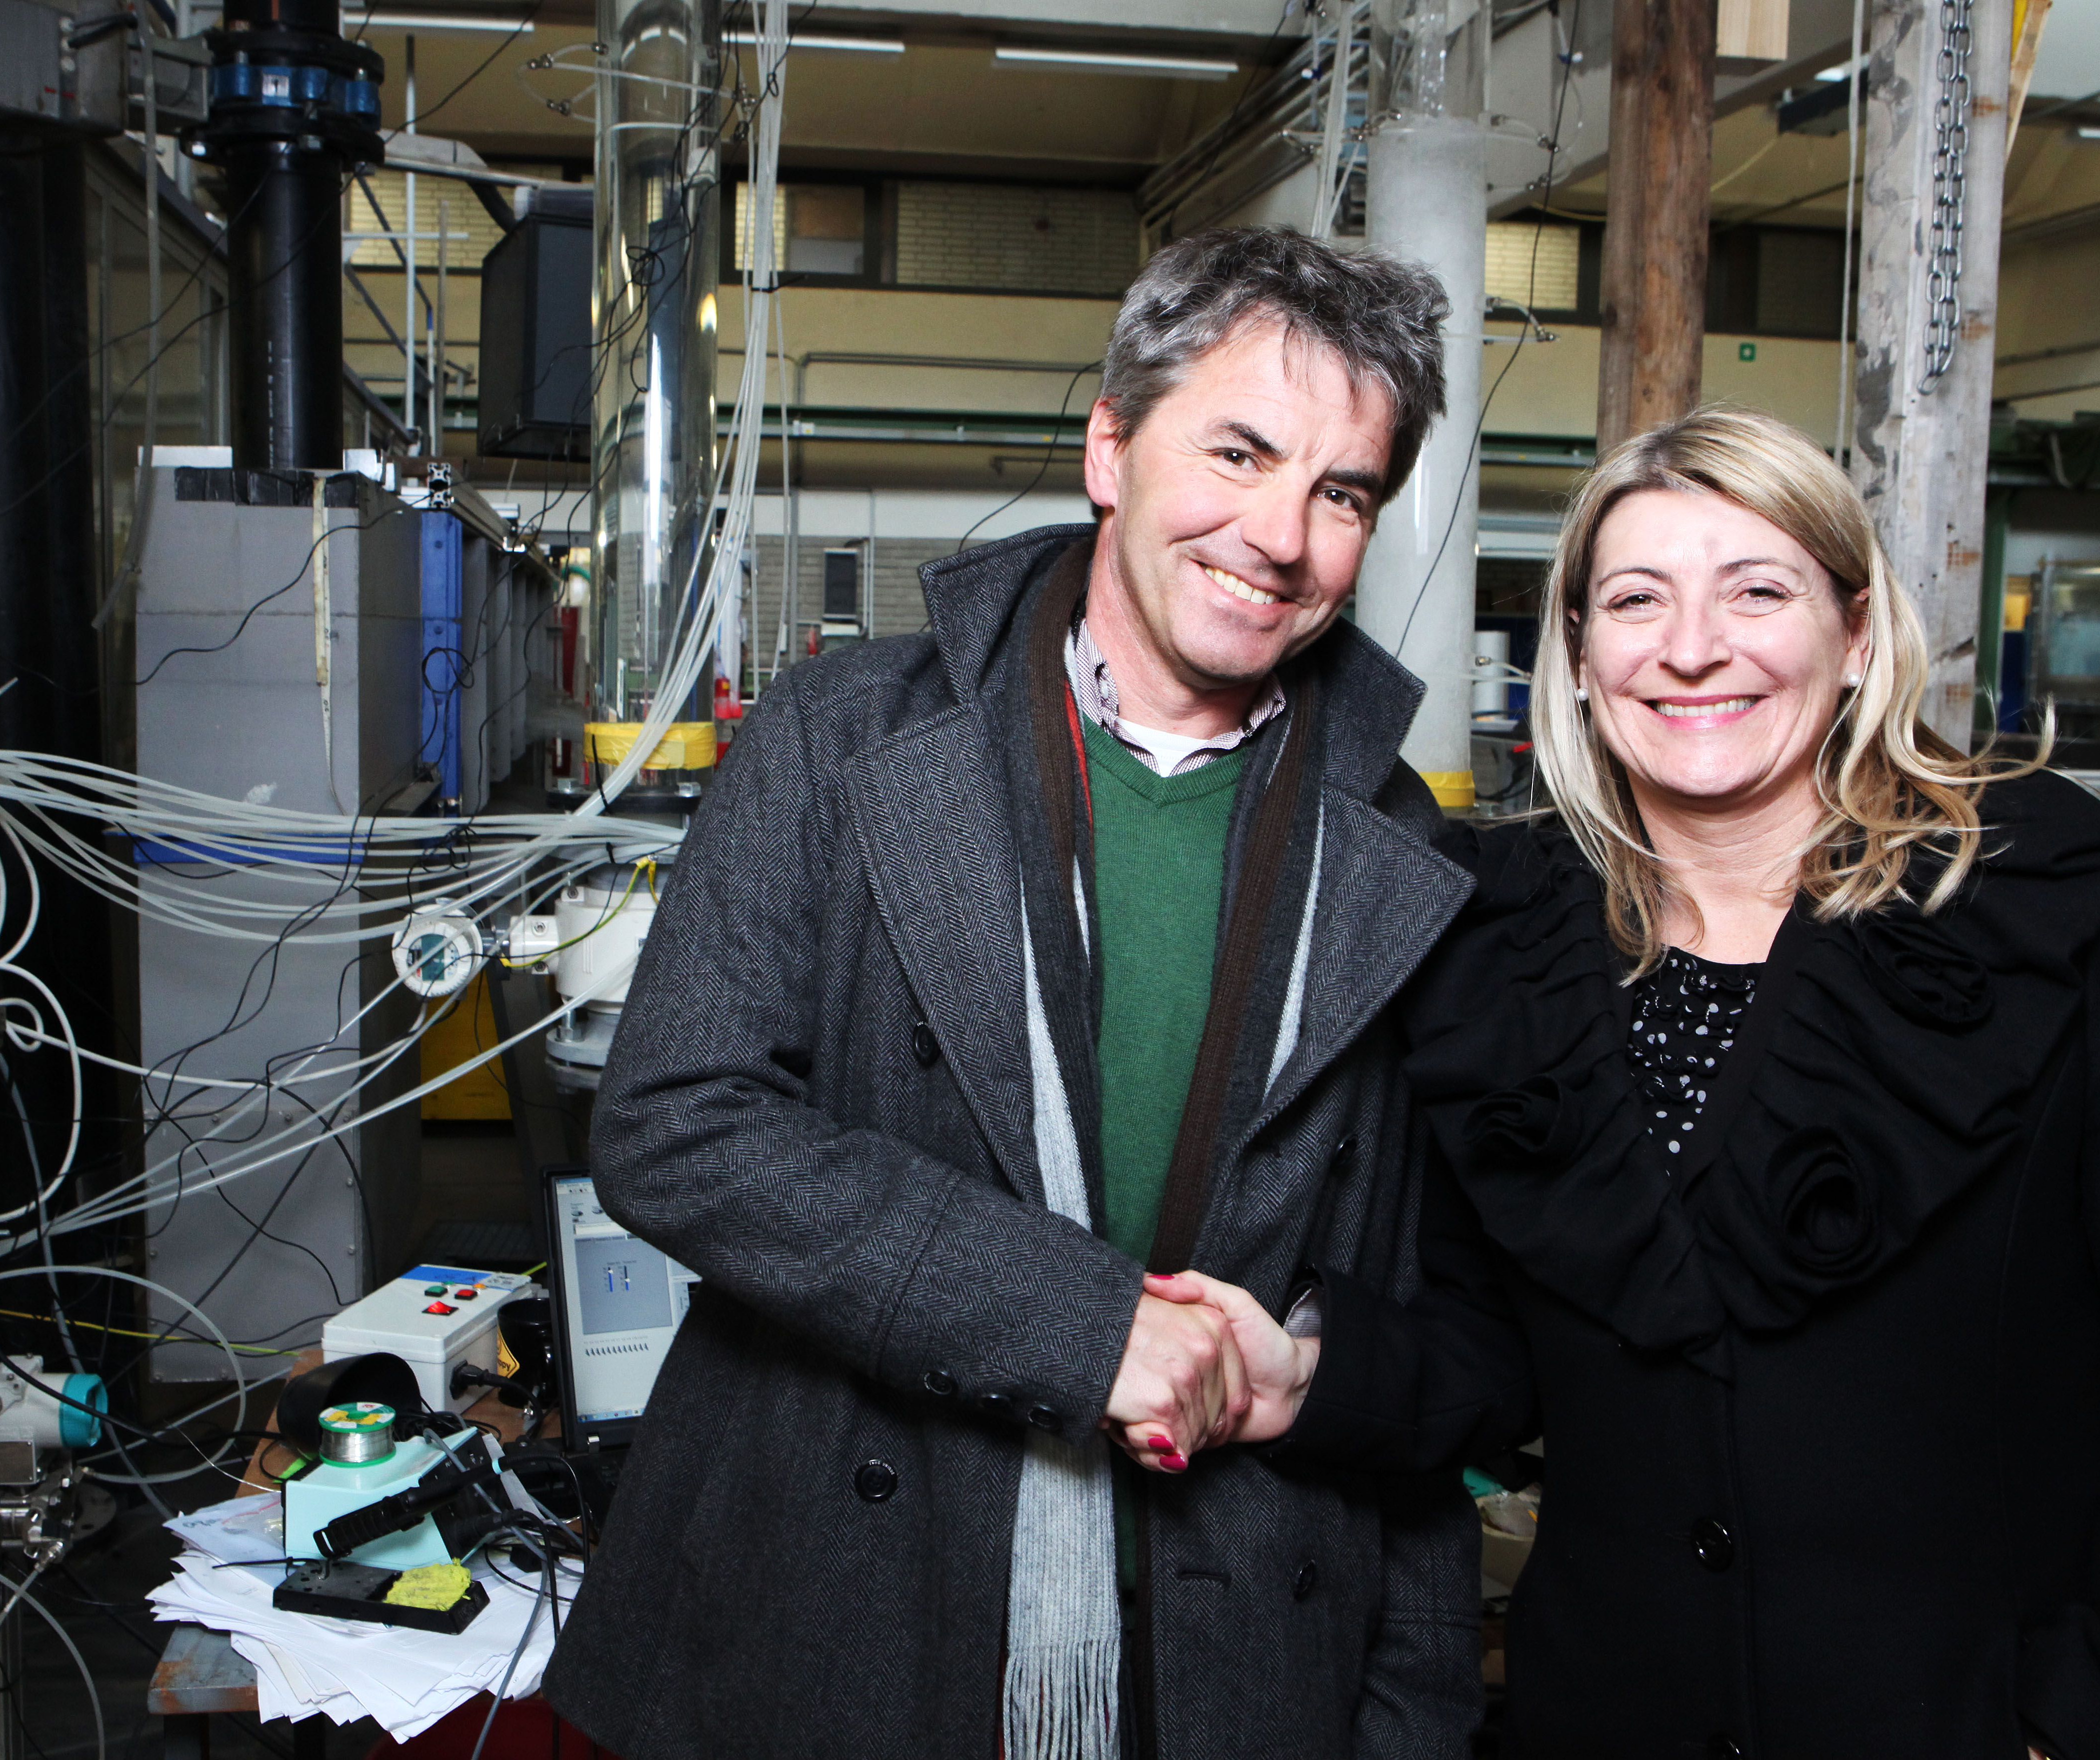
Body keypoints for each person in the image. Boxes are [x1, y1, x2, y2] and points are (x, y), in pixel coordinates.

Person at [1160, 406, 2100, 1760]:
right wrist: (1302, 1375)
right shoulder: (1498, 938)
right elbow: (1503, 1354)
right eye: (1639, 599)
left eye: (1758, 591)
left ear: (1856, 633)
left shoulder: (2038, 897)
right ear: (1580, 654)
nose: (1693, 647)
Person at [541, 228, 1484, 1760]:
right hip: (849, 1617)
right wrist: (1077, 1322)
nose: (1280, 536)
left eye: (1343, 493)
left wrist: (1411, 1716)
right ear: (1112, 446)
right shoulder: (846, 737)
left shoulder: (1399, 842)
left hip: (1235, 1657)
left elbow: (1411, 1326)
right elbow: (674, 1122)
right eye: (1238, 453)